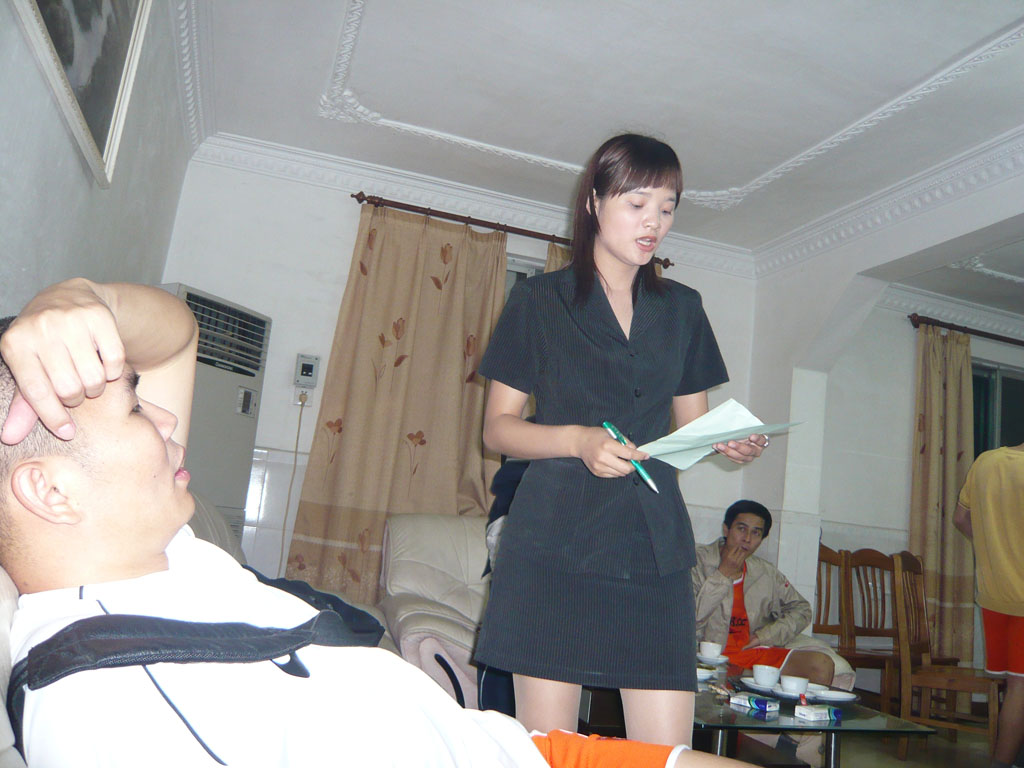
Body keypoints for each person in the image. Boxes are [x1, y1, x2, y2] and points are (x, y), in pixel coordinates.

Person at [0, 278, 755, 768]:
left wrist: (76, 298)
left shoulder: (149, 551)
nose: (168, 421)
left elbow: (173, 335)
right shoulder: (101, 694)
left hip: (503, 747)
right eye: (136, 409)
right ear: (50, 490)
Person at [474, 133, 768, 746]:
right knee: (552, 754)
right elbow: (498, 427)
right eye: (637, 204)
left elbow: (689, 431)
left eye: (667, 207)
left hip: (652, 548)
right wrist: (578, 439)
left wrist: (723, 441)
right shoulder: (538, 300)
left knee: (664, 755)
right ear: (594, 202)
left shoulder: (683, 309)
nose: (654, 222)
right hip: (554, 545)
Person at [692, 500, 836, 686]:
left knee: (821, 665)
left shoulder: (765, 572)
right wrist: (723, 574)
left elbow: (802, 609)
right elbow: (690, 619)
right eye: (741, 529)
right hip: (705, 654)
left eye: (756, 533)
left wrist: (766, 636)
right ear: (726, 529)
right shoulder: (696, 562)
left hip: (750, 653)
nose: (747, 539)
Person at [954, 443, 1024, 768]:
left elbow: (960, 518)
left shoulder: (986, 462)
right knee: (1020, 688)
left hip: (994, 593)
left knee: (1013, 686)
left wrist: (995, 549)